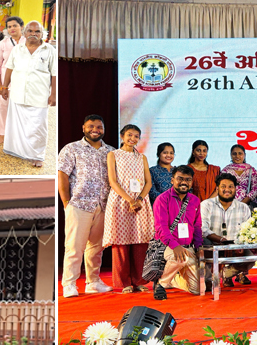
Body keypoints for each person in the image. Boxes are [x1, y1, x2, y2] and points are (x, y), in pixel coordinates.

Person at [58, 115, 115, 297]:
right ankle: (69, 284)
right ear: (83, 128)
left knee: (97, 247)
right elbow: (62, 175)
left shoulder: (111, 152)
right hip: (79, 204)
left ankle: (93, 282)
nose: (95, 130)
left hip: (104, 204)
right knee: (74, 246)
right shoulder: (71, 148)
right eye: (91, 126)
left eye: (99, 127)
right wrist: (66, 202)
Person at [103, 124, 155, 293]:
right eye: (129, 135)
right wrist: (129, 200)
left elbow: (148, 182)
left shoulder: (142, 157)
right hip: (120, 201)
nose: (132, 139)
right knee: (121, 243)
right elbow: (113, 181)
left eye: (136, 136)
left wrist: (138, 199)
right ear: (122, 136)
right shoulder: (113, 155)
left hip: (140, 202)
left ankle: (139, 281)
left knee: (140, 242)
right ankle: (124, 283)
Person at [1, 21, 57, 167]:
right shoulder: (17, 49)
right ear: (25, 33)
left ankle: (37, 155)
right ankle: (16, 150)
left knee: (38, 127)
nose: (33, 34)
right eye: (30, 31)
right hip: (18, 93)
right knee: (17, 125)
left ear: (42, 34)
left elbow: (55, 74)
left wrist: (54, 94)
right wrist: (5, 87)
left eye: (37, 31)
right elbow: (9, 68)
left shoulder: (49, 50)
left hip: (39, 95)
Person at [145, 166, 205, 299]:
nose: (184, 182)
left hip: (188, 247)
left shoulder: (195, 200)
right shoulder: (162, 199)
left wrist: (199, 247)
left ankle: (172, 279)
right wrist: (175, 246)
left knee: (198, 289)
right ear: (172, 180)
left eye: (188, 180)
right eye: (180, 179)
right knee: (181, 258)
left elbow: (197, 226)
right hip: (168, 246)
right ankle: (161, 283)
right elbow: (161, 228)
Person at [205, 173, 257, 286]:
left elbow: (247, 231)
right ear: (217, 188)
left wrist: (241, 245)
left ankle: (227, 274)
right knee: (204, 243)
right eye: (223, 186)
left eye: (230, 187)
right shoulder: (206, 204)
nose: (227, 189)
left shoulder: (243, 207)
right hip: (213, 244)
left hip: (235, 245)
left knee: (250, 259)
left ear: (235, 189)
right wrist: (222, 241)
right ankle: (208, 278)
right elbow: (203, 229)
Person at [0, 17, 23, 146]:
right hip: (4, 80)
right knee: (3, 107)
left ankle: (17, 134)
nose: (12, 29)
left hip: (22, 79)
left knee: (19, 107)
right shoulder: (3, 43)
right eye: (9, 26)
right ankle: (2, 133)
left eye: (15, 26)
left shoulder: (27, 42)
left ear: (21, 27)